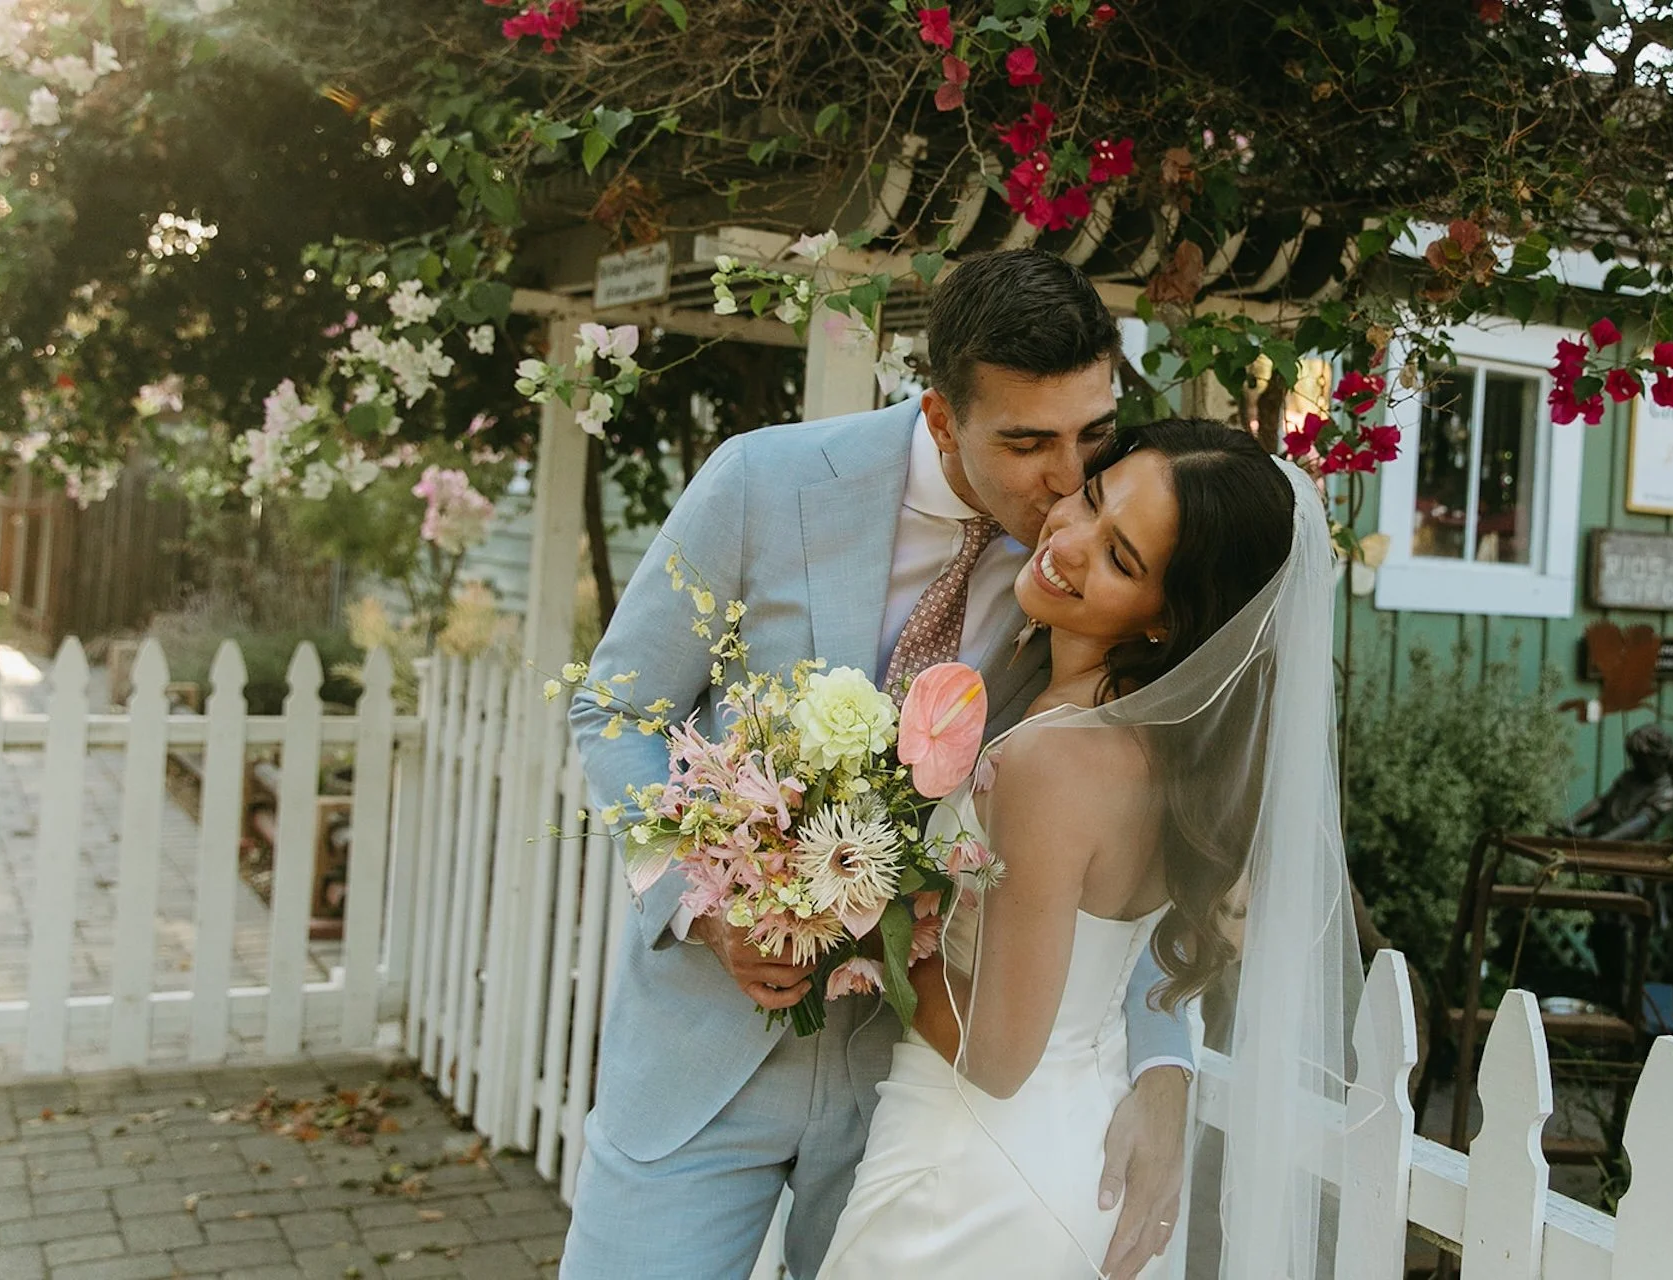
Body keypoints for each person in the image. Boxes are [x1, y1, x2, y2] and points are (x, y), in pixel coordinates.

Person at [563, 250, 1195, 1280]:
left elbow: (1138, 846)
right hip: (702, 1052)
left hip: (907, 1083)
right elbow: (618, 707)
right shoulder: (762, 482)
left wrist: (1165, 1061)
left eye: (1092, 435)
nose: (1067, 478)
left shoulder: (1089, 581)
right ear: (942, 419)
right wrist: (703, 904)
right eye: (1028, 442)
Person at [818, 420, 1361, 1279]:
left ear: (1165, 622)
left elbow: (997, 1058)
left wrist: (851, 920)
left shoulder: (1054, 762)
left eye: (1120, 559)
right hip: (1074, 1145)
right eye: (1093, 499)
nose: (1066, 543)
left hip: (973, 1179)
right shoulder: (1146, 753)